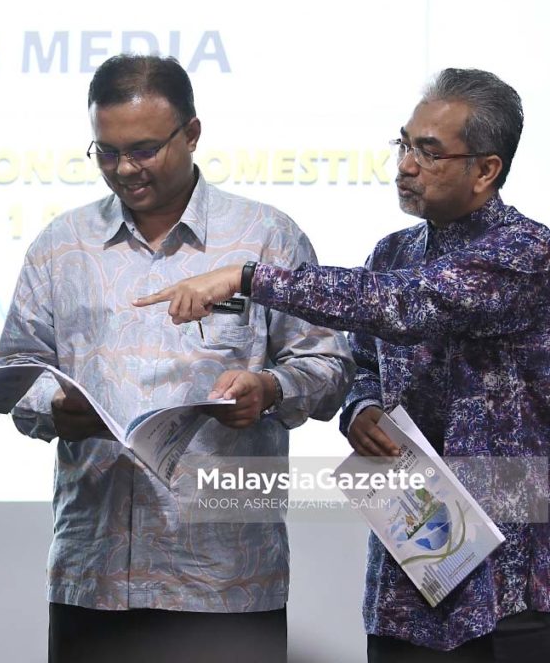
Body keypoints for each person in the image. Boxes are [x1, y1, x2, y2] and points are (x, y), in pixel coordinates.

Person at [135, 68, 550, 661]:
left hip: (508, 589)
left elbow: (406, 305)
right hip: (412, 577)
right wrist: (360, 407)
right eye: (404, 144)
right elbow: (361, 361)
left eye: (429, 153)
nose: (406, 164)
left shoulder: (526, 253)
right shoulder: (394, 251)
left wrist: (248, 278)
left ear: (486, 169)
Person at [0, 54, 354, 662]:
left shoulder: (266, 238)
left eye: (143, 149)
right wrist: (55, 406)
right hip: (96, 575)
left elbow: (328, 366)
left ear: (192, 134)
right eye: (106, 152)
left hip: (228, 578)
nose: (124, 169)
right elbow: (14, 373)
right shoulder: (62, 247)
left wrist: (268, 388)